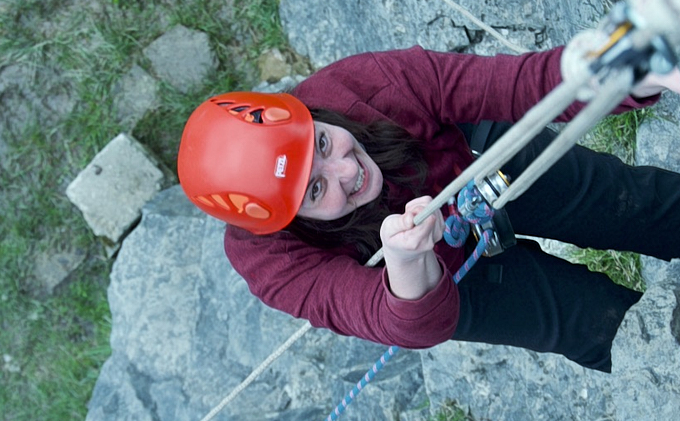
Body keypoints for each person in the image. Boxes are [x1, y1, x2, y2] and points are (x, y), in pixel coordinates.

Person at [177, 35, 680, 373]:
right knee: (602, 328)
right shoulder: (272, 264)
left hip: (477, 161)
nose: (347, 172)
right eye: (314, 190)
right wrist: (405, 262)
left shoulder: (361, 86)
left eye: (323, 144)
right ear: (287, 221)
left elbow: (520, 86)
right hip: (439, 280)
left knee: (638, 204)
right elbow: (401, 321)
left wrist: (627, 74)